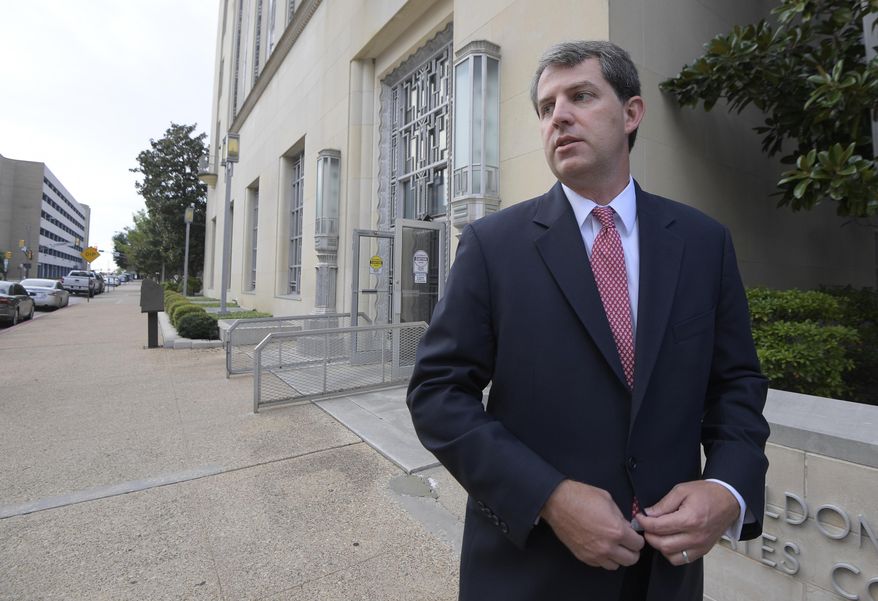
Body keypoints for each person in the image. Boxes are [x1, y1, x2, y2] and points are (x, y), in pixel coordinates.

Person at [406, 40, 769, 601]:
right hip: (530, 573)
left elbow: (736, 385)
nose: (559, 117)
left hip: (663, 577)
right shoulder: (492, 246)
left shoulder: (703, 243)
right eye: (546, 107)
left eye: (580, 96)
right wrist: (548, 496)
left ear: (631, 113)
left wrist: (727, 487)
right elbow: (437, 393)